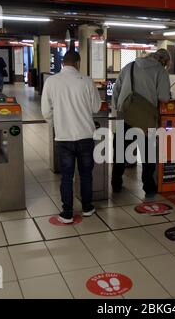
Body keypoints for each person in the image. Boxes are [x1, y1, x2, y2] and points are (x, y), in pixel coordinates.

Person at [41, 50, 101, 224]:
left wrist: (57, 125)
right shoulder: (87, 81)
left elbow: (46, 111)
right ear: (78, 63)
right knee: (85, 174)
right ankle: (87, 207)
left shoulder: (51, 81)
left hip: (64, 138)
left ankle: (67, 213)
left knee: (66, 176)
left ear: (62, 63)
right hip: (85, 136)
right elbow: (96, 107)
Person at [111, 49, 171, 197]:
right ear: (162, 61)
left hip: (125, 115)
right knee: (148, 155)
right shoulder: (161, 72)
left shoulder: (129, 66)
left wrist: (117, 112)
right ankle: (149, 187)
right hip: (146, 118)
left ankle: (116, 183)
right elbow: (163, 97)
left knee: (120, 151)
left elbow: (116, 90)